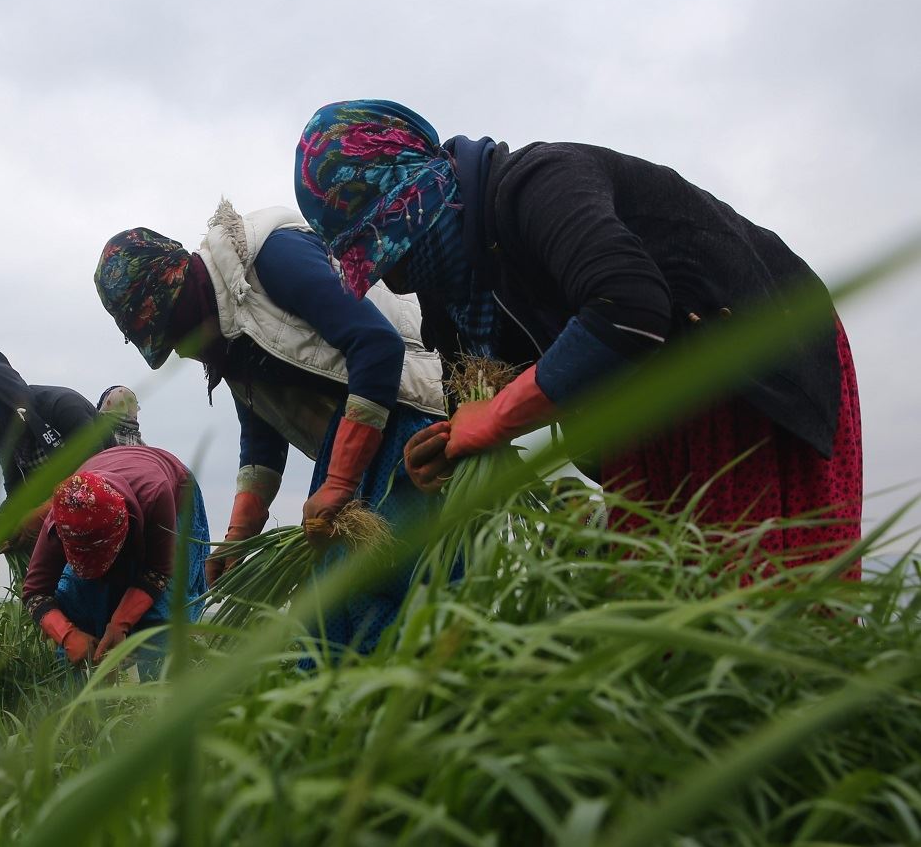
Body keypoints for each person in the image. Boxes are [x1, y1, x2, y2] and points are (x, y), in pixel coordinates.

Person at [292, 99, 862, 573]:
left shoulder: (539, 184)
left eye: (391, 247)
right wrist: (436, 460)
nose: (391, 275)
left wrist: (493, 418)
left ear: (423, 197)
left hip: (748, 358)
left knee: (759, 588)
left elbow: (629, 307)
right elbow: (473, 408)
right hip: (653, 402)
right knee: (657, 596)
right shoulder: (454, 298)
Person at [95, 199, 449, 657]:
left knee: (369, 591)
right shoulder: (225, 342)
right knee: (326, 617)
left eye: (171, 331)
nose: (179, 350)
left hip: (404, 415)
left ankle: (424, 697)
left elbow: (378, 347)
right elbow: (261, 442)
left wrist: (339, 481)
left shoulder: (271, 258)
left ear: (182, 285)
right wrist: (238, 537)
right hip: (357, 442)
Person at [21, 445, 208, 678]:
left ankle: (160, 698)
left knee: (162, 615)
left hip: (174, 494)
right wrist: (68, 635)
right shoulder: (61, 522)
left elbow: (160, 570)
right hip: (109, 477)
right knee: (74, 600)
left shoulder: (156, 497)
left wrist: (121, 622)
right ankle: (78, 705)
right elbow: (34, 592)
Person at [0, 346, 110, 551]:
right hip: (66, 535)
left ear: (6, 398)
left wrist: (41, 513)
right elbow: (17, 494)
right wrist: (2, 523)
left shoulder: (63, 407)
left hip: (109, 522)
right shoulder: (5, 438)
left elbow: (97, 479)